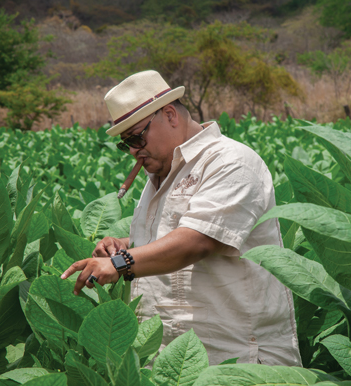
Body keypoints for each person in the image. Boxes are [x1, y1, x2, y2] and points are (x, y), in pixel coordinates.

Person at [61, 70, 301, 366]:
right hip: (174, 360)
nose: (134, 152)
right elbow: (171, 234)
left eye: (137, 137)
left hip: (235, 358)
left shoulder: (230, 162)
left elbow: (196, 242)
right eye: (126, 145)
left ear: (171, 115)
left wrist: (119, 264)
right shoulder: (162, 174)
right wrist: (124, 245)